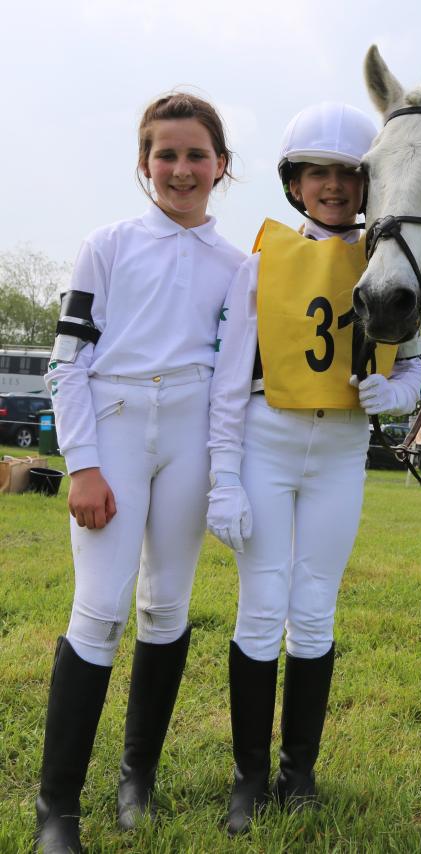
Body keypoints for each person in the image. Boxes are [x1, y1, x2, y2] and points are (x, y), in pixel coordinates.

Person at [206, 102, 421, 834]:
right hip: (269, 440)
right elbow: (228, 379)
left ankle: (297, 771)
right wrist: (226, 475)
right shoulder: (261, 262)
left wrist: (391, 393)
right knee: (262, 604)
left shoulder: (390, 266)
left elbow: (417, 372)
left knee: (314, 607)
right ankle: (247, 777)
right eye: (316, 172)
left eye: (346, 172)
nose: (332, 185)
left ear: (367, 184)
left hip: (339, 453)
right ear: (294, 183)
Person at [36, 93, 245, 853]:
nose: (181, 169)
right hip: (116, 427)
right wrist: (83, 466)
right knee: (99, 612)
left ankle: (137, 779)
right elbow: (67, 365)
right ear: (142, 163)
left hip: (189, 436)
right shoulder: (108, 244)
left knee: (167, 607)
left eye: (196, 155)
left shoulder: (238, 264)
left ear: (222, 166)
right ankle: (56, 808)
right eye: (166, 154)